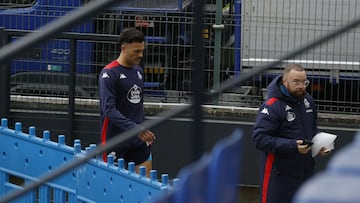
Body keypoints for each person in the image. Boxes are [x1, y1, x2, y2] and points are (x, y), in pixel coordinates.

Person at [252, 64, 330, 203]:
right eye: (296, 82)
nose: (301, 86)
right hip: (280, 178)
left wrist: (320, 144)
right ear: (284, 81)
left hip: (305, 174)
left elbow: (312, 130)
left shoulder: (308, 101)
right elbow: (260, 139)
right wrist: (293, 146)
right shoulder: (272, 105)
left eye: (304, 82)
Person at [99, 28, 156, 177]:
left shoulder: (138, 71)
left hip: (139, 141)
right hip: (116, 142)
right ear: (123, 48)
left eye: (142, 50)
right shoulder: (109, 74)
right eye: (136, 51)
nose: (141, 55)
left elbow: (137, 105)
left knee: (145, 187)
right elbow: (109, 110)